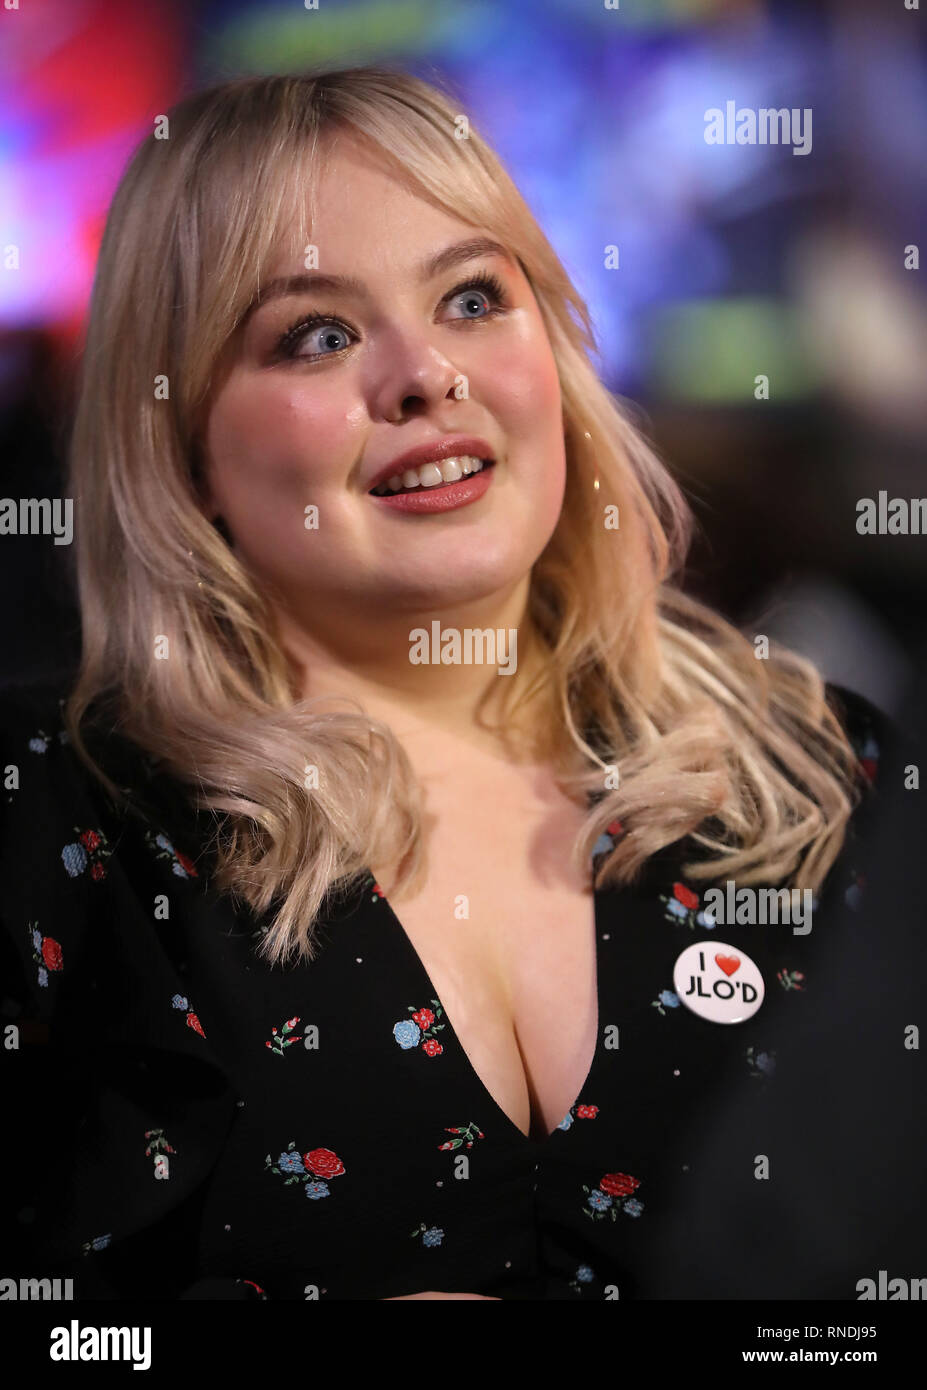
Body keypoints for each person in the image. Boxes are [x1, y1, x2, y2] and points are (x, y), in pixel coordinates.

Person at [0, 66, 913, 1302]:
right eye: (315, 334)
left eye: (475, 296)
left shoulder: (826, 776)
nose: (426, 374)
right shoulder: (51, 820)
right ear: (182, 448)